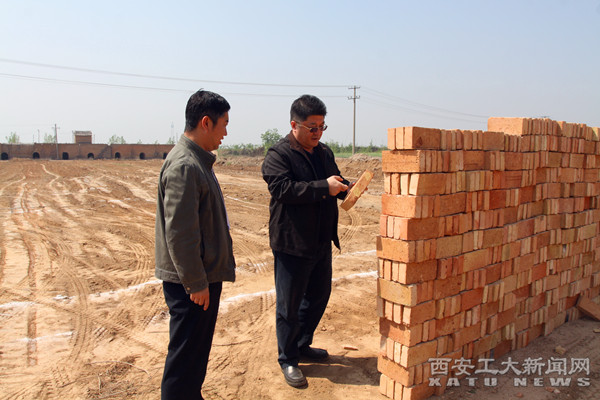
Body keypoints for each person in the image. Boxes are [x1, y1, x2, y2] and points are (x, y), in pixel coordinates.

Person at [261, 94, 351, 388]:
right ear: (294, 125)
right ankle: (288, 359)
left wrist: (346, 188)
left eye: (322, 126)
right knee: (289, 306)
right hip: (292, 243)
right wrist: (325, 187)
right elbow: (283, 189)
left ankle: (301, 344)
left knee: (318, 296)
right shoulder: (278, 155)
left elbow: (334, 181)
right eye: (312, 127)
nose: (318, 133)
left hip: (320, 240)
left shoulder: (323, 153)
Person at [155, 89, 235, 399]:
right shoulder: (185, 166)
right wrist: (196, 282)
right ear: (205, 122)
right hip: (192, 284)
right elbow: (180, 233)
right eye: (223, 124)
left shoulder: (197, 161)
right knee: (184, 360)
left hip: (199, 278)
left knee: (194, 358)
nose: (225, 133)